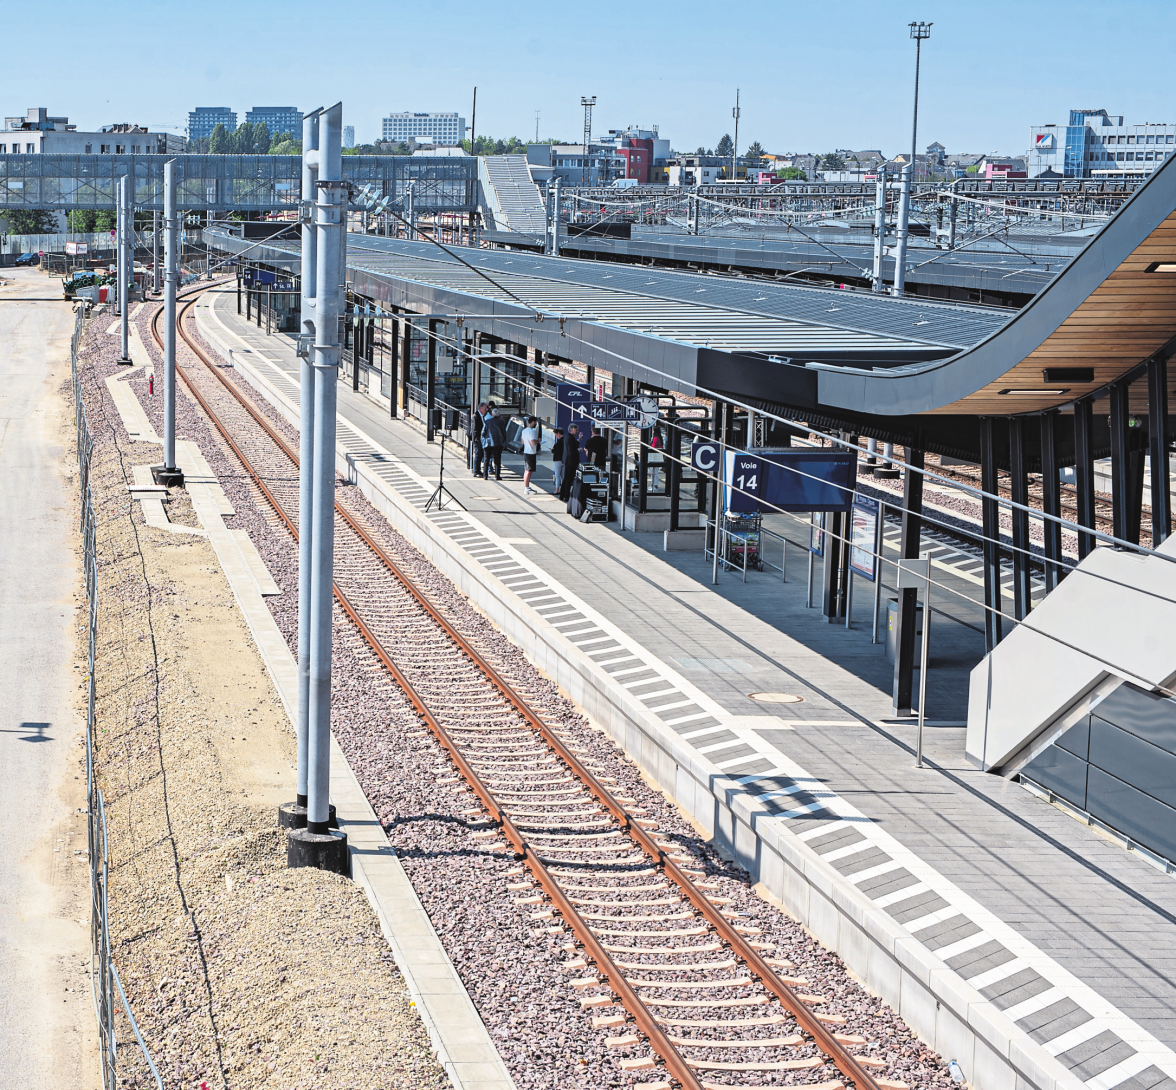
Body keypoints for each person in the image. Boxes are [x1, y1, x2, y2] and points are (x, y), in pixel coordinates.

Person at [481, 407, 505, 481]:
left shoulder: (487, 422)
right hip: (498, 443)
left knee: (486, 459)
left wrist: (483, 442)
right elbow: (504, 433)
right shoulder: (501, 422)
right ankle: (497, 475)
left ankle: (485, 475)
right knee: (497, 460)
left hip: (488, 443)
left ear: (492, 414)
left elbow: (483, 433)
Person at [559, 423, 581, 502]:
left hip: (568, 461)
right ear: (571, 430)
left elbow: (572, 446)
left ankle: (563, 495)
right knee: (569, 479)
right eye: (576, 430)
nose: (577, 431)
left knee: (566, 479)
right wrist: (579, 450)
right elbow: (572, 451)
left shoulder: (568, 437)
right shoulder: (570, 438)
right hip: (571, 461)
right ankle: (566, 495)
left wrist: (578, 440)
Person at [520, 416, 540, 494]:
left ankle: (527, 486)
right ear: (533, 422)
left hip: (526, 451)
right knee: (528, 471)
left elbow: (522, 441)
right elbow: (533, 442)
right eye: (536, 422)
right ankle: (526, 488)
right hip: (531, 452)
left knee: (528, 470)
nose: (536, 424)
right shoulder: (532, 431)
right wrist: (538, 441)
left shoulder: (524, 431)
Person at [470, 402, 490, 477]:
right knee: (477, 455)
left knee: (480, 455)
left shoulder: (483, 416)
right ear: (480, 409)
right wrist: (477, 439)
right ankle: (476, 471)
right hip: (477, 439)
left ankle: (478, 470)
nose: (486, 410)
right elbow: (474, 429)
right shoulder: (475, 416)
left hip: (481, 439)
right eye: (485, 409)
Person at [551, 428, 565, 495]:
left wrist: (553, 450)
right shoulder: (565, 440)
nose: (556, 435)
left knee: (557, 475)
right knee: (563, 476)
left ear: (559, 434)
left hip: (558, 460)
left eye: (556, 434)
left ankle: (557, 489)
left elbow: (557, 451)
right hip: (564, 460)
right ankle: (563, 489)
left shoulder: (559, 442)